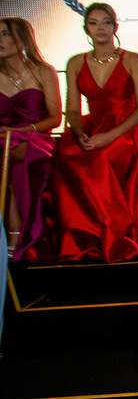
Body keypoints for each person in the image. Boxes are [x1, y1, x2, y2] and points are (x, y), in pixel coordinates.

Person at [51, 2, 138, 262]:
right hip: (92, 125)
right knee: (65, 155)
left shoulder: (133, 59)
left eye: (106, 22)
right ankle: (81, 235)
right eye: (93, 23)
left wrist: (109, 136)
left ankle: (114, 231)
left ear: (115, 26)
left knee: (102, 158)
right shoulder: (75, 62)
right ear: (86, 29)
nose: (100, 28)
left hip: (132, 128)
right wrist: (79, 134)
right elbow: (72, 109)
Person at [0, 18, 60, 260]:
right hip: (4, 137)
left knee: (14, 159)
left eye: (5, 34)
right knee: (5, 157)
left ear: (22, 39)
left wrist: (24, 130)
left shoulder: (44, 71)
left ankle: (19, 233)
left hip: (37, 138)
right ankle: (14, 229)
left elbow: (55, 118)